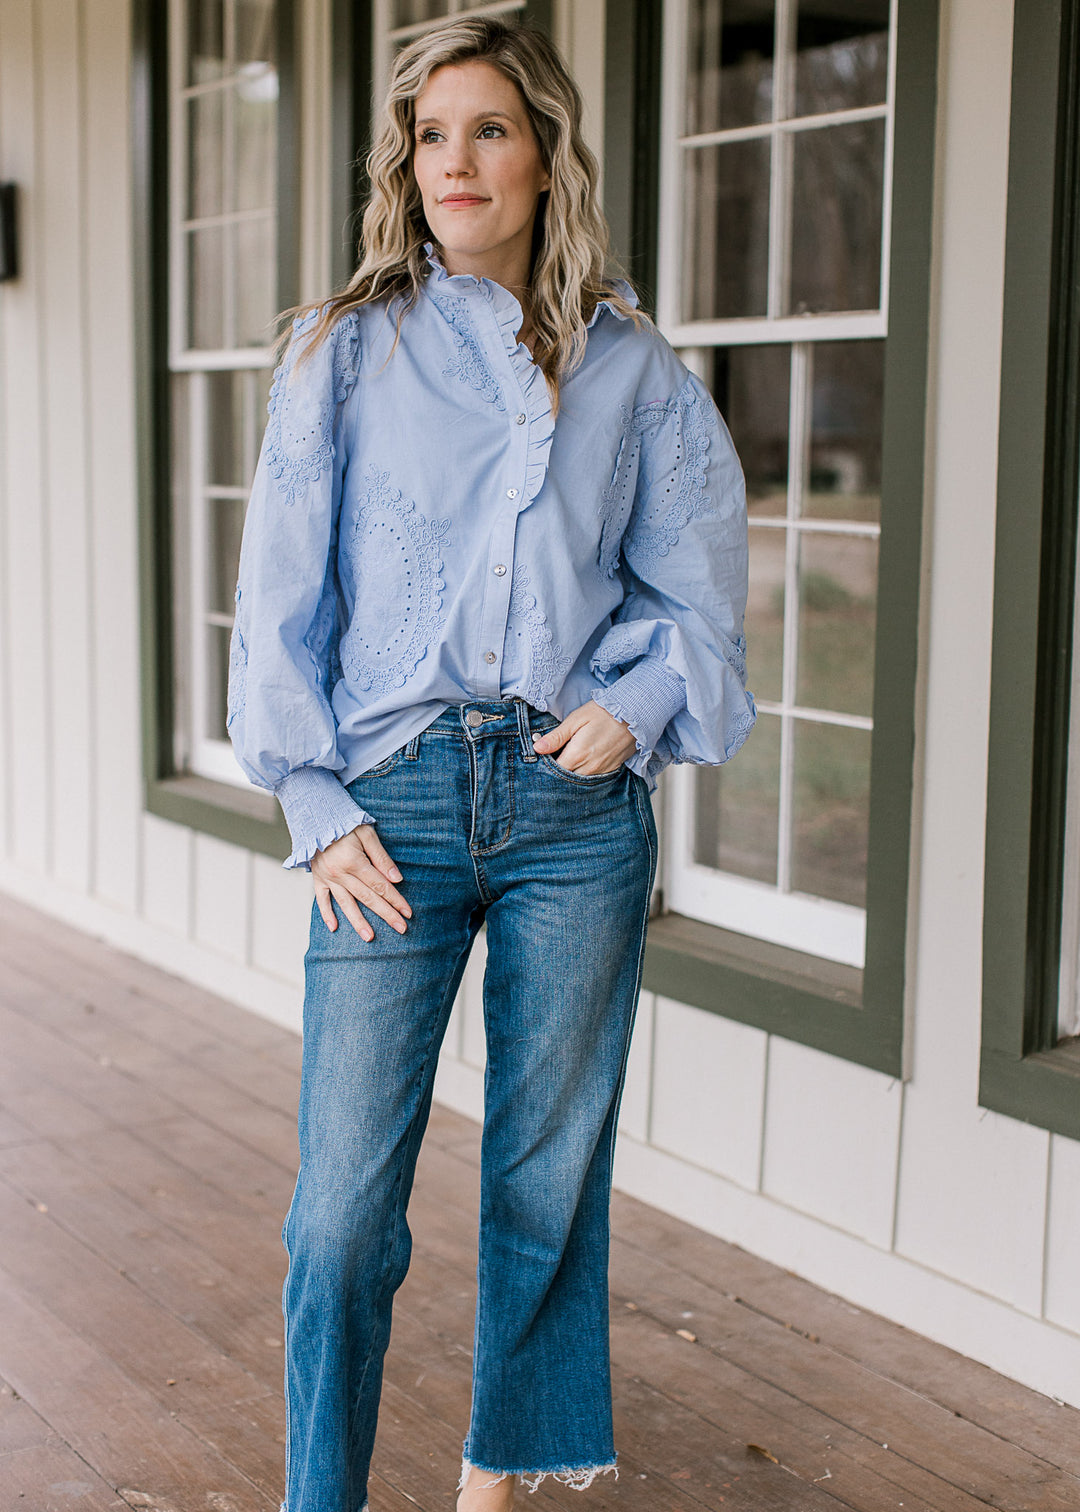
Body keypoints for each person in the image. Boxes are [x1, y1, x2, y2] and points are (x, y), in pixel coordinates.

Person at [226, 15, 755, 1512]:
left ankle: (494, 1489)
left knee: (543, 1180)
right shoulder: (344, 350)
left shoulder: (634, 367)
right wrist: (314, 806)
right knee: (339, 1216)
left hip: (573, 814)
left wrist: (640, 706)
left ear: (545, 153)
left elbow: (696, 598)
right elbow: (277, 600)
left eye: (489, 129)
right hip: (388, 812)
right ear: (408, 158)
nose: (454, 159)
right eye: (430, 132)